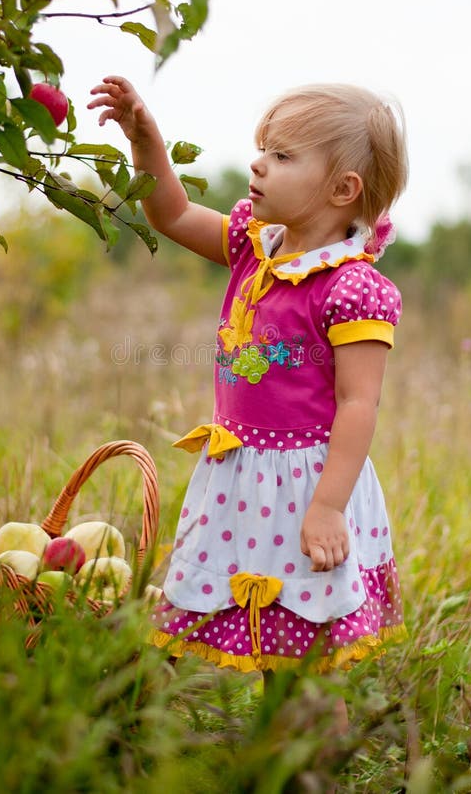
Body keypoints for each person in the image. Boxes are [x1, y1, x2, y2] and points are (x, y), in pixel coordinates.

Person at [87, 77, 408, 688]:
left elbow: (358, 405)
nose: (258, 164)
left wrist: (328, 507)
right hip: (240, 476)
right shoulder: (254, 248)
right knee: (264, 643)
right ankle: (249, 752)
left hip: (307, 485)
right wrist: (144, 138)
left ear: (344, 189)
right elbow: (174, 213)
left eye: (283, 155)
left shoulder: (349, 287)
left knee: (302, 664)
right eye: (264, 148)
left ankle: (313, 772)